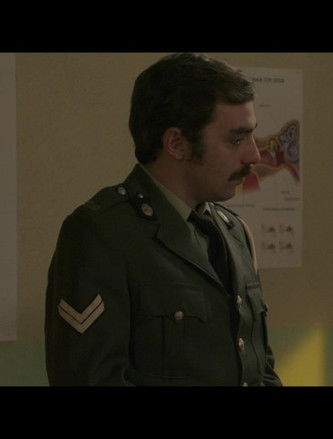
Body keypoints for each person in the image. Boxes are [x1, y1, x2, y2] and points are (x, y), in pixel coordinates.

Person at [45, 53, 282, 386]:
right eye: (236, 139)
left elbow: (260, 370)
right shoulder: (103, 233)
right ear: (176, 143)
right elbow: (90, 379)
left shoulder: (234, 233)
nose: (254, 155)